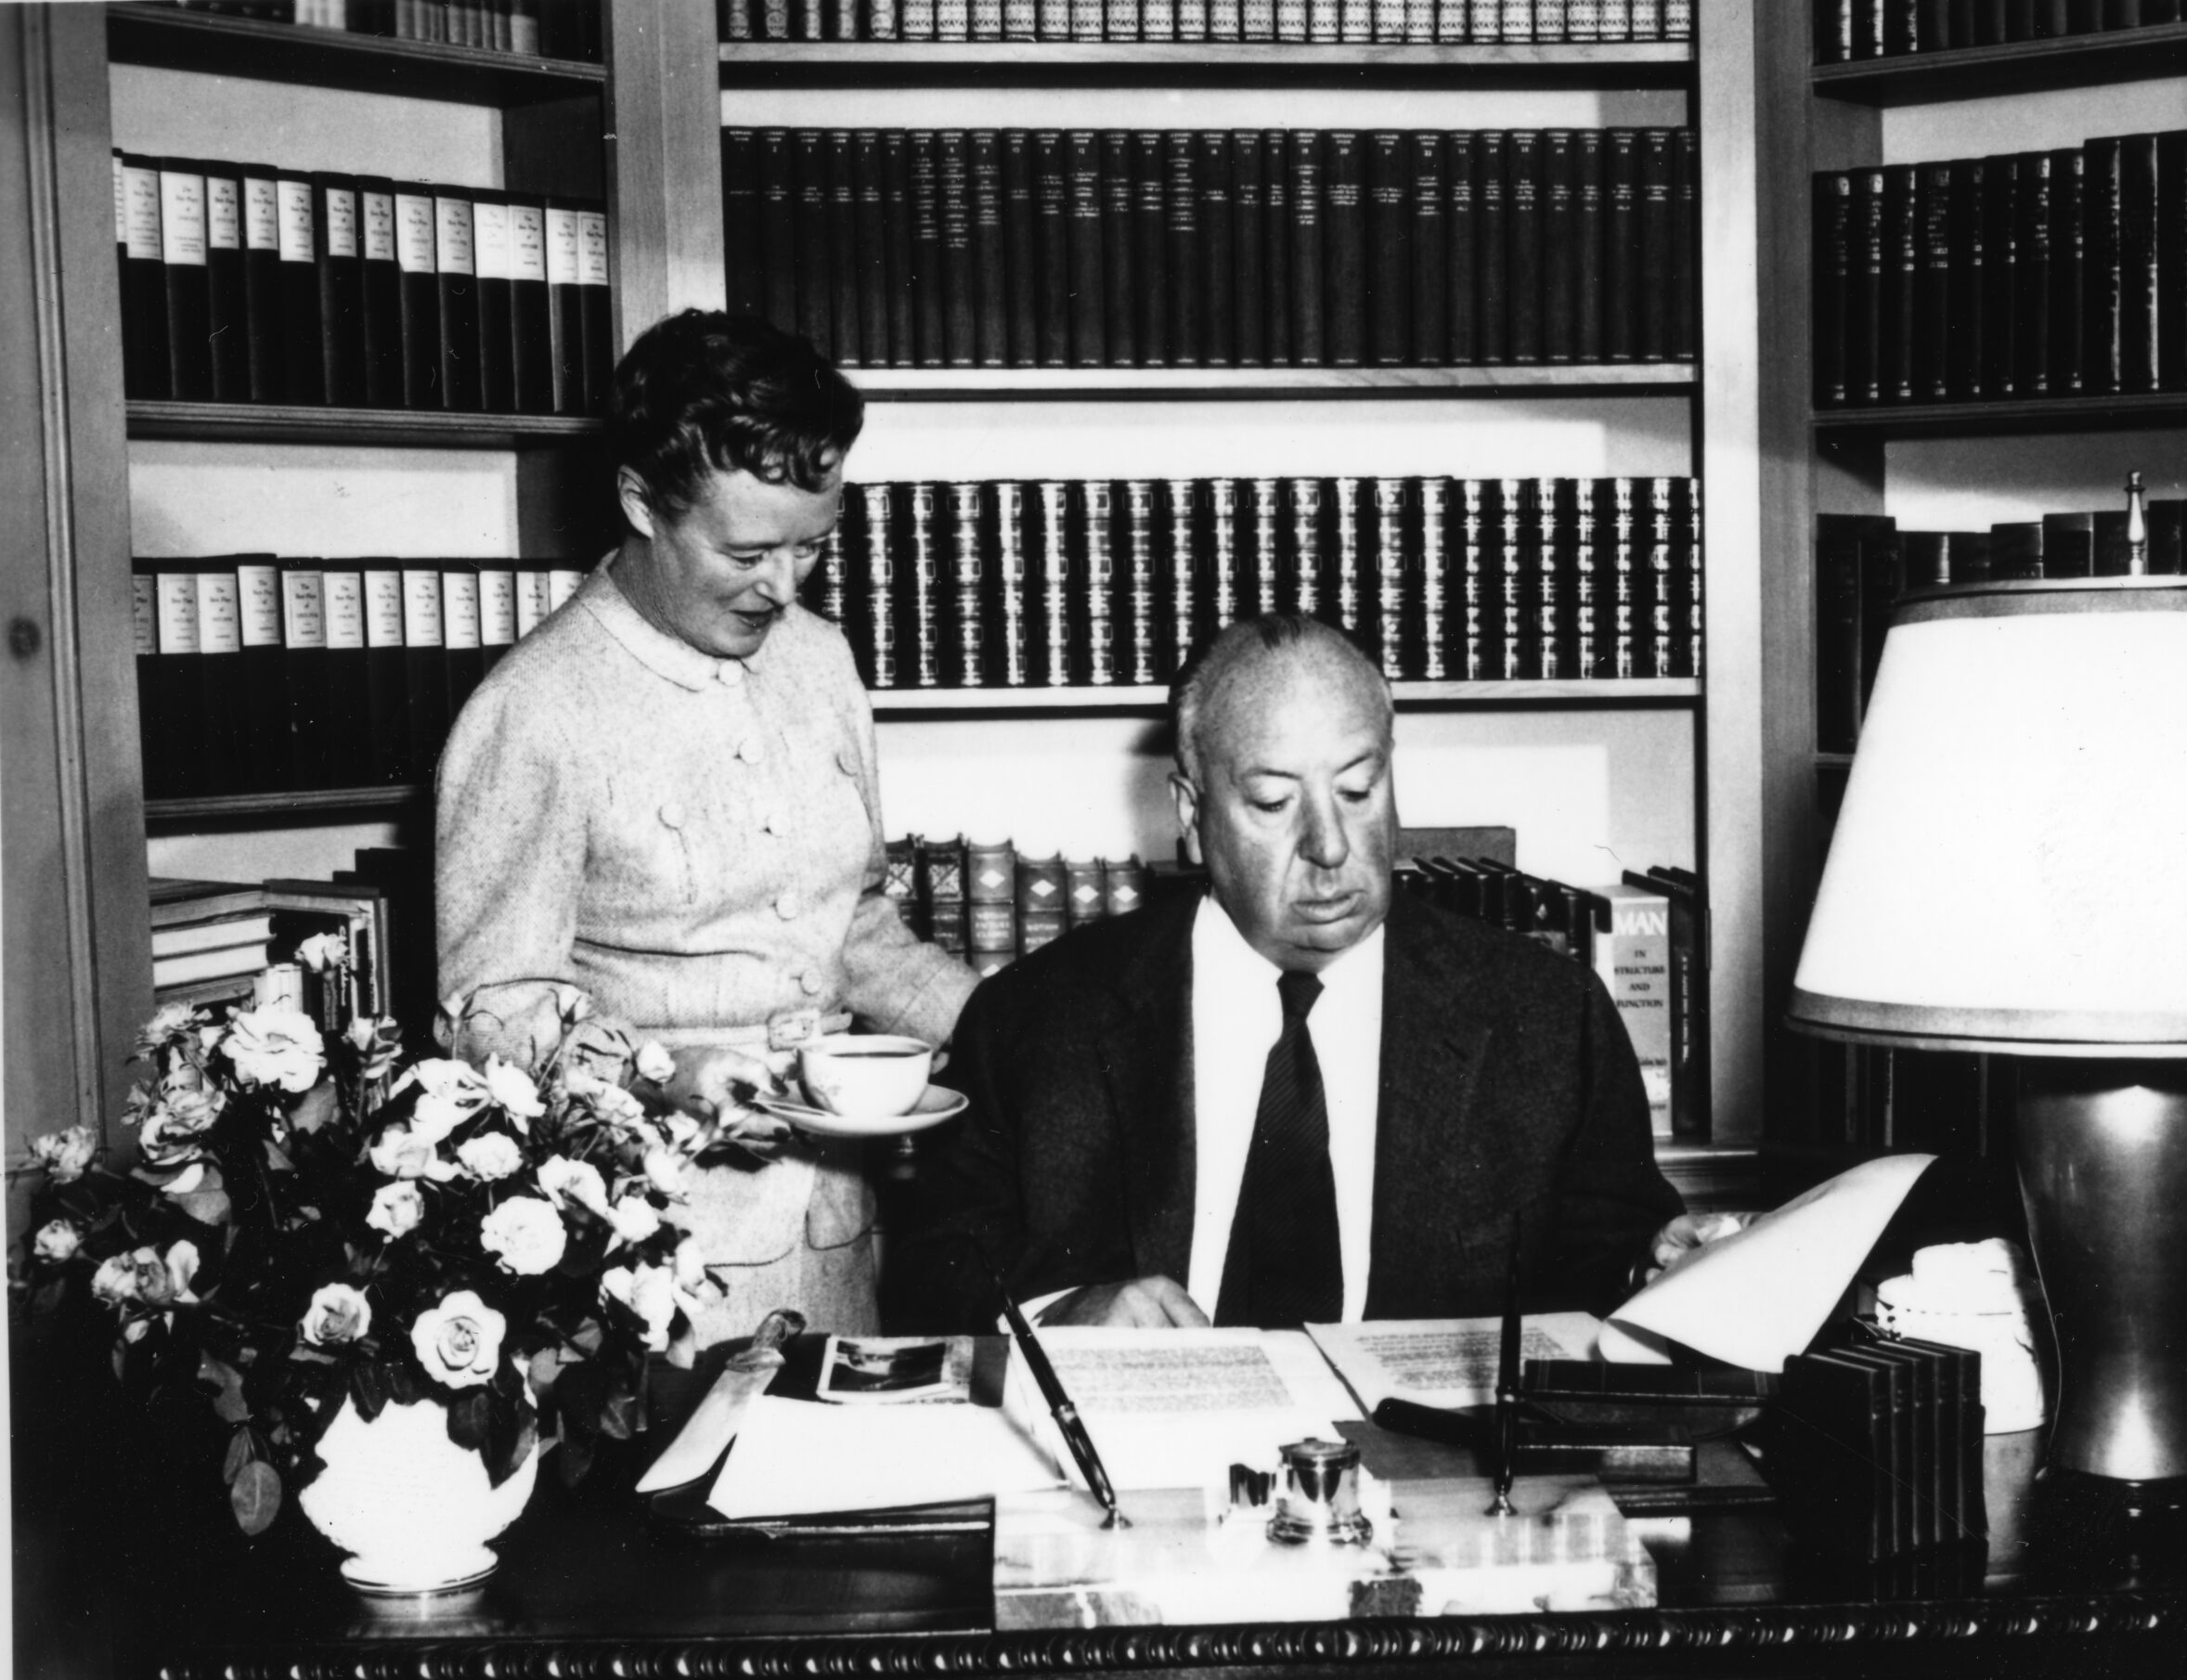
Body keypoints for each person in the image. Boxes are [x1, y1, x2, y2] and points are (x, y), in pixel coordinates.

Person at [882, 613, 1693, 1335]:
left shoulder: (1548, 1015)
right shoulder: (1035, 1018)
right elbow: (932, 1275)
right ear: (1192, 816)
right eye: (1273, 802)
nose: (1331, 844)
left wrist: (1658, 1265)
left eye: (1358, 788)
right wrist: (1062, 1312)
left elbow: (1614, 1252)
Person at [436, 311, 976, 1352]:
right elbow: (488, 1017)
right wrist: (660, 1072)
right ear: (641, 501)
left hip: (842, 1236)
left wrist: (1007, 1024)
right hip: (650, 1257)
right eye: (747, 551)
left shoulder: (824, 663)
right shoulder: (533, 709)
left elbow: (853, 926)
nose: (784, 587)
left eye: (813, 546)